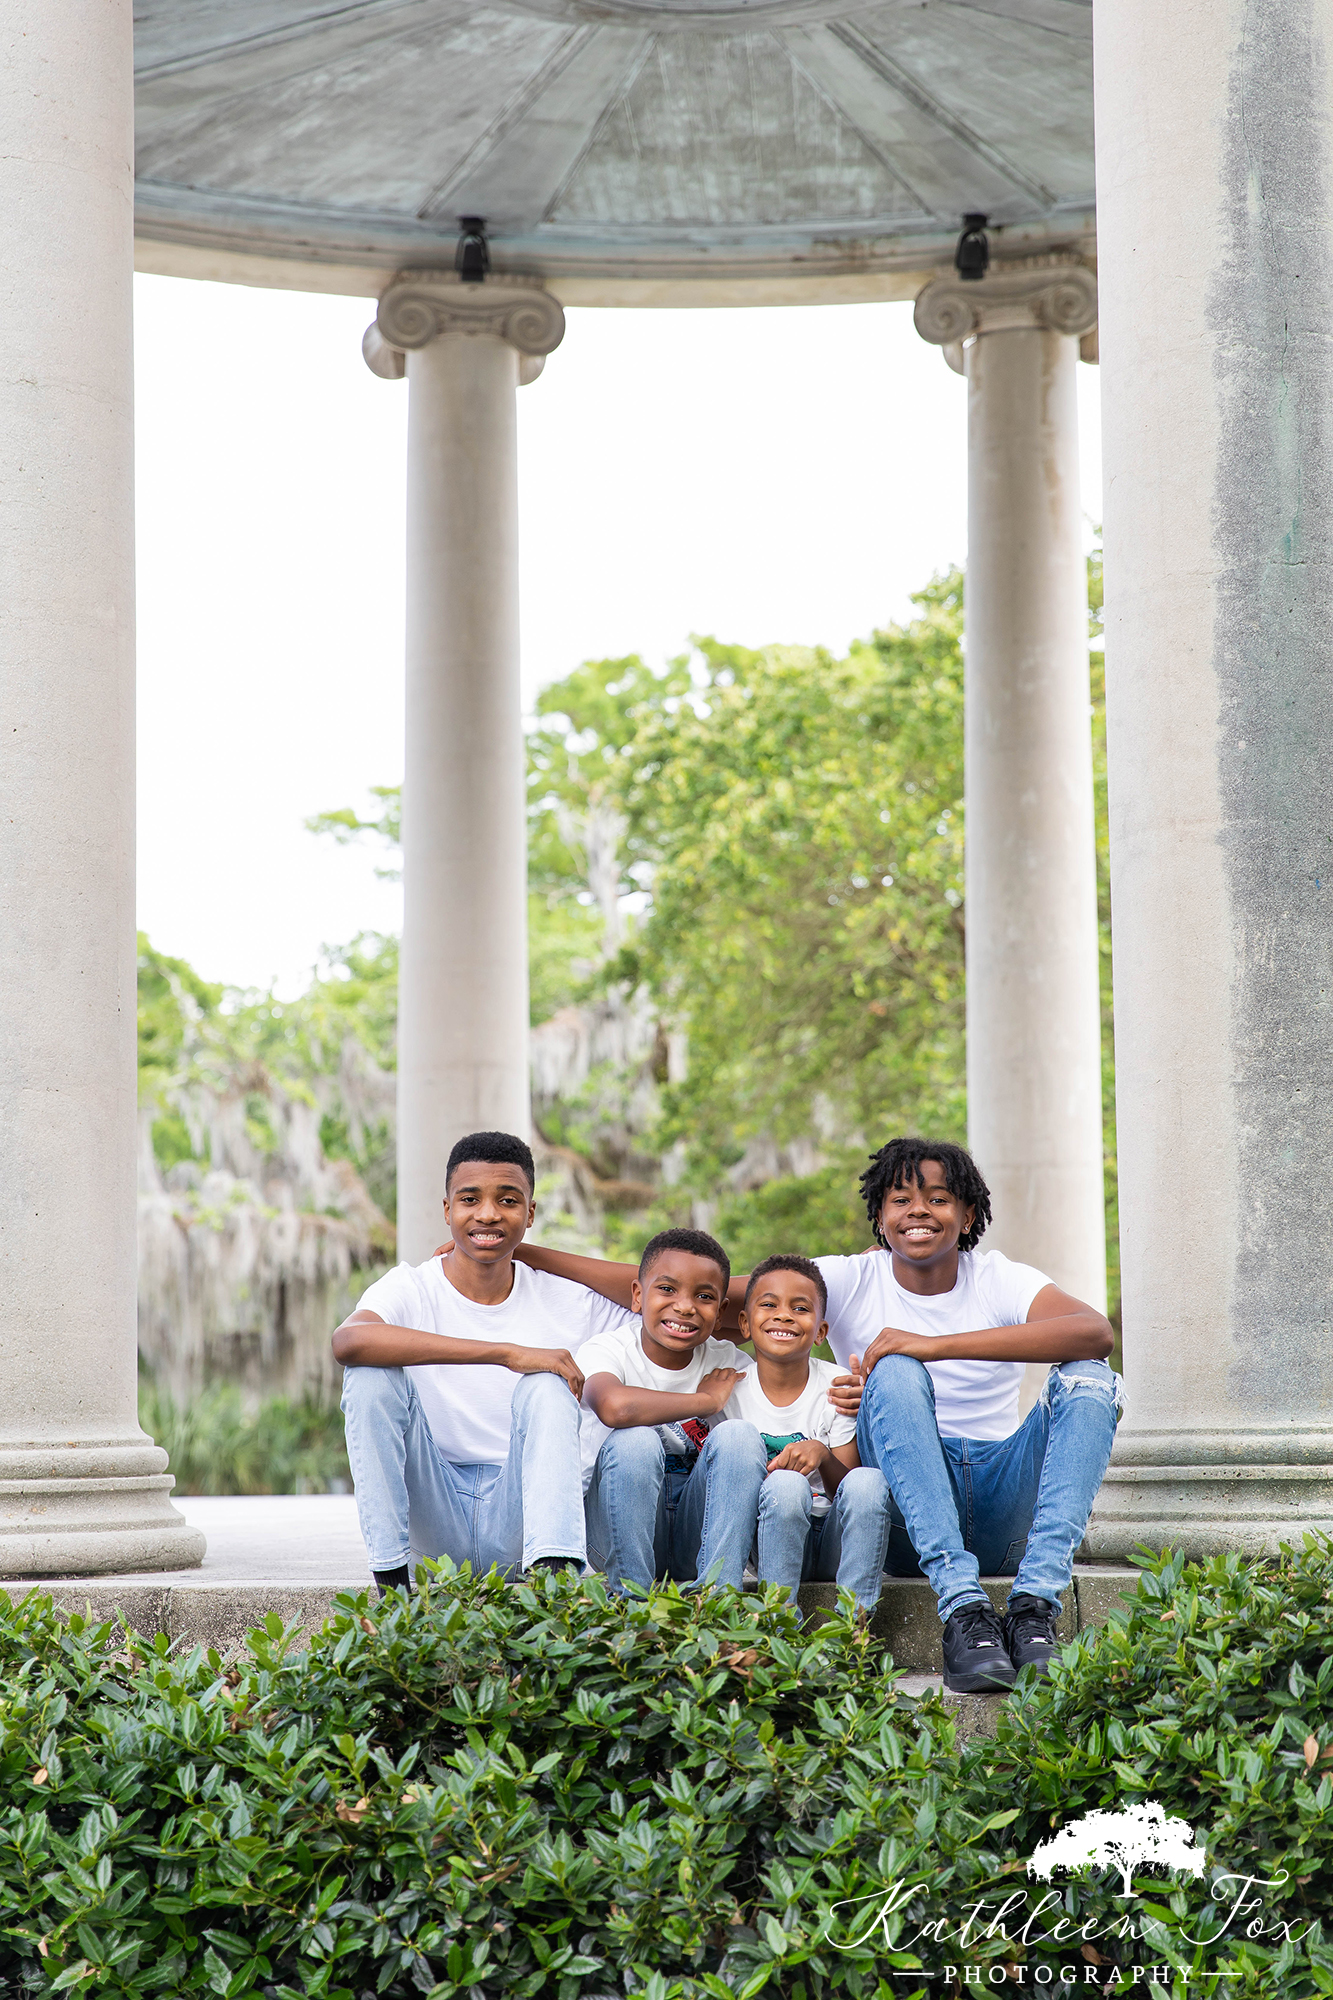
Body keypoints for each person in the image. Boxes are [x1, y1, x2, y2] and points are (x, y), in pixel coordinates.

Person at [510, 1135, 1120, 1693]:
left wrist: (931, 1345)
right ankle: (963, 1610)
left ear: (967, 1215)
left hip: (1001, 1500)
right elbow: (688, 1285)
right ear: (879, 1217)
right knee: (895, 1373)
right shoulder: (848, 1278)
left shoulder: (1000, 1279)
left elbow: (1092, 1331)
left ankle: (1036, 1606)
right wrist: (527, 1252)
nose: (919, 1211)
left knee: (1090, 1378)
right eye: (901, 1199)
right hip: (911, 1512)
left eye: (939, 1199)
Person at [331, 1130, 633, 1593]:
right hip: (435, 1522)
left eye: (508, 1201)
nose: (488, 1213)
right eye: (470, 1199)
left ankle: (556, 1596)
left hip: (522, 1521)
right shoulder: (411, 1287)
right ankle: (392, 1589)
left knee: (546, 1383)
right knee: (370, 1377)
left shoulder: (568, 1301)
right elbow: (349, 1341)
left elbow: (667, 1294)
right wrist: (507, 1354)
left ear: (530, 1214)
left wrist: (534, 1255)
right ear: (447, 1210)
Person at [574, 1227, 767, 1593]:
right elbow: (614, 1407)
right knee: (635, 1441)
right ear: (637, 1295)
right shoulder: (608, 1350)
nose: (685, 1306)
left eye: (704, 1296)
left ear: (721, 1310)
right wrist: (704, 1402)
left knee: (740, 1436)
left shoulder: (729, 1364)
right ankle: (630, 1599)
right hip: (612, 1532)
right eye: (667, 1289)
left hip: (694, 1535)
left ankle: (718, 1596)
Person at [727, 1255, 890, 1617]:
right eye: (768, 1305)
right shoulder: (730, 1391)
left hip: (834, 1539)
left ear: (820, 1332)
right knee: (786, 1486)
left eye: (800, 1308)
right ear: (745, 1323)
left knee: (869, 1481)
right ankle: (778, 1620)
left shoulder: (836, 1387)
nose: (783, 1315)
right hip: (771, 1534)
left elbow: (850, 1491)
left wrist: (823, 1454)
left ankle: (852, 1626)